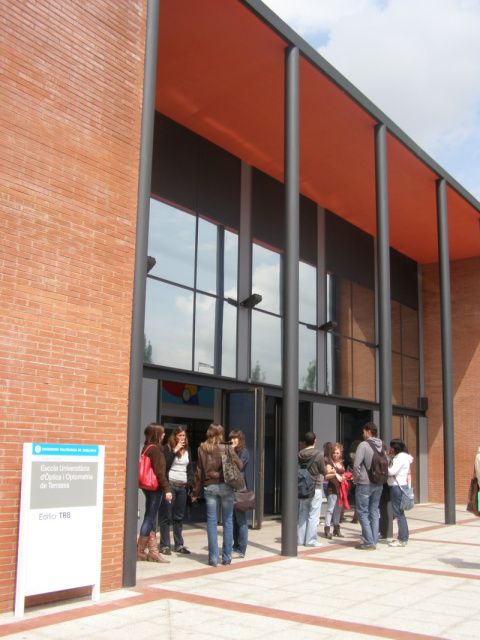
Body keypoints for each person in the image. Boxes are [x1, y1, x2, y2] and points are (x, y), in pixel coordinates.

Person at [190, 423, 242, 567]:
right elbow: (240, 465)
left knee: (212, 523)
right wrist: (232, 452)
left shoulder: (202, 448)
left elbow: (199, 472)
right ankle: (226, 558)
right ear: (220, 433)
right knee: (227, 521)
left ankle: (213, 559)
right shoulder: (226, 447)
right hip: (225, 485)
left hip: (209, 486)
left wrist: (195, 492)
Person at [137, 423, 172, 563]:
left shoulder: (146, 448)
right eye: (162, 433)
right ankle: (140, 550)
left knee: (150, 517)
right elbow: (160, 473)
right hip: (154, 488)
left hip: (146, 486)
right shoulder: (156, 450)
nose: (164, 435)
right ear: (157, 434)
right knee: (150, 517)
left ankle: (152, 551)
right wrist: (167, 490)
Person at [158, 426, 195, 555]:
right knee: (166, 516)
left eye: (184, 436)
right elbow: (165, 465)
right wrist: (174, 451)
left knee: (178, 517)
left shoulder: (188, 450)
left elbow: (189, 468)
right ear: (174, 436)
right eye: (179, 435)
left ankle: (179, 544)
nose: (182, 438)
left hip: (182, 486)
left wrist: (190, 483)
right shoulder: (167, 448)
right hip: (170, 485)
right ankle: (165, 545)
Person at [352, 422, 385, 550]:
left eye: (364, 431)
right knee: (374, 512)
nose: (363, 434)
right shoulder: (382, 445)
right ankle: (374, 540)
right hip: (378, 483)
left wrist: (356, 479)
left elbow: (356, 464)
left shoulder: (364, 445)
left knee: (362, 512)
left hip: (365, 483)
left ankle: (368, 542)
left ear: (369, 432)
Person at [298, 432, 327, 547]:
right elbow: (323, 471)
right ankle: (311, 540)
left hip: (303, 486)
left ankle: (300, 539)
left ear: (304, 442)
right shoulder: (318, 454)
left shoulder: (300, 454)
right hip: (315, 486)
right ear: (315, 441)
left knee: (303, 513)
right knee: (314, 514)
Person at [387, 438, 413, 547]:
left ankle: (402, 539)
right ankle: (402, 537)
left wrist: (386, 462)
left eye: (392, 447)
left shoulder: (400, 458)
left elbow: (391, 471)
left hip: (397, 487)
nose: (390, 449)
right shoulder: (402, 457)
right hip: (400, 486)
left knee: (398, 514)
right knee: (399, 513)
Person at [229, 429, 249, 559]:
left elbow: (240, 467)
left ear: (240, 439)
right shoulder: (231, 451)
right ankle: (234, 547)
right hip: (230, 488)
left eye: (235, 438)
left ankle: (241, 549)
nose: (233, 440)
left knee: (241, 520)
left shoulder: (244, 452)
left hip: (240, 488)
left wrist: (232, 453)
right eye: (231, 438)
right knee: (232, 519)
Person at [324, 443, 347, 539]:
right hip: (332, 489)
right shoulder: (330, 464)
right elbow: (326, 475)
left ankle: (336, 528)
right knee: (330, 509)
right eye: (334, 453)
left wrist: (344, 477)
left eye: (337, 453)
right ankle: (327, 529)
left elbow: (344, 475)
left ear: (341, 454)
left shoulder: (341, 464)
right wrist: (335, 474)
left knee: (338, 509)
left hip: (340, 489)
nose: (335, 455)